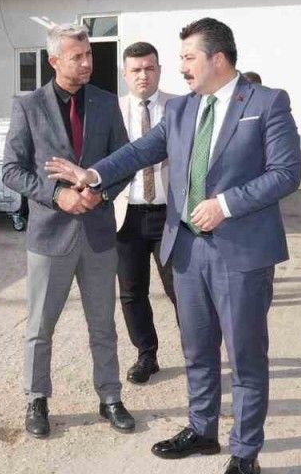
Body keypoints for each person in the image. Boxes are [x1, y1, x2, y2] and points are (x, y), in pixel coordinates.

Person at [46, 17, 301, 474]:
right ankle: (202, 430)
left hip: (241, 254)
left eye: (188, 57)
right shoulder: (182, 109)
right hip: (187, 250)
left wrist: (226, 204)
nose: (181, 66)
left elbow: (285, 173)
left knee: (244, 357)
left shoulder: (266, 103)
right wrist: (94, 174)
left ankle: (245, 452)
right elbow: (140, 150)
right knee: (197, 350)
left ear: (217, 58)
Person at [1, 22, 136, 439]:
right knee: (40, 327)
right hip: (49, 236)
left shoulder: (106, 103)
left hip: (98, 234)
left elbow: (124, 162)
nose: (87, 62)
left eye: (89, 54)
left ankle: (110, 397)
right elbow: (11, 170)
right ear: (54, 60)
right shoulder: (29, 106)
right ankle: (36, 399)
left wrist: (101, 191)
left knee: (103, 325)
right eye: (77, 56)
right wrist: (56, 195)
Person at [115, 41, 179, 384]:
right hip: (126, 216)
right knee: (131, 291)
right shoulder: (113, 111)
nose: (143, 75)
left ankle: (198, 354)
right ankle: (146, 355)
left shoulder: (180, 108)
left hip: (170, 216)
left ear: (159, 70)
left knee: (181, 290)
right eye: (136, 69)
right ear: (125, 74)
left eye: (149, 68)